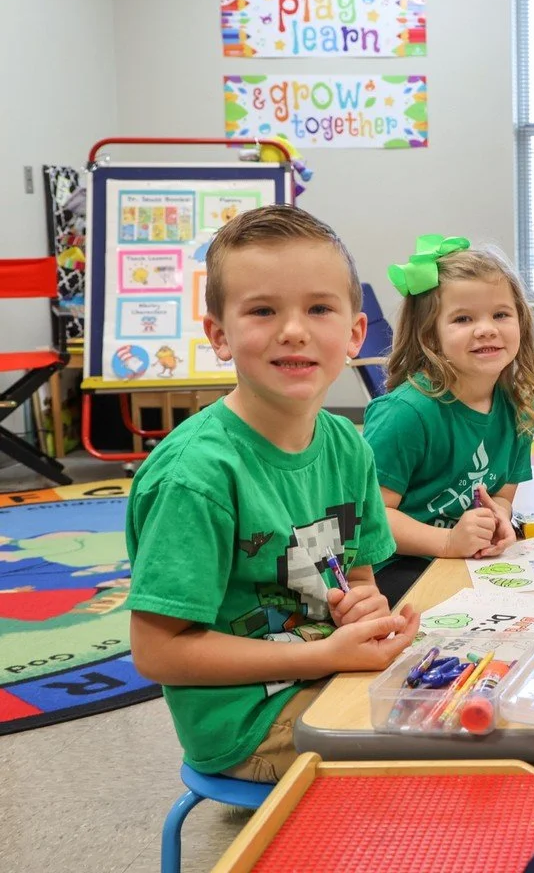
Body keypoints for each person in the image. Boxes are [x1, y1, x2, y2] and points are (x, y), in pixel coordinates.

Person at [127, 204, 419, 782]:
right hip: (250, 722)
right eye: (263, 310)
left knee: (483, 694)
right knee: (444, 752)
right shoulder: (196, 476)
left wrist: (362, 604)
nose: (294, 329)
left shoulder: (347, 445)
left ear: (355, 333)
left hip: (325, 670)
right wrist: (320, 655)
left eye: (319, 308)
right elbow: (157, 653)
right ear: (220, 335)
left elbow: (357, 574)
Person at [362, 236, 534, 603]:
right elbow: (371, 518)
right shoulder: (406, 414)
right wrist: (447, 541)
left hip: (463, 559)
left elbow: (501, 496)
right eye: (463, 318)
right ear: (430, 334)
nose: (487, 328)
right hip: (393, 567)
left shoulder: (516, 409)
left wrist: (498, 521)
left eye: (501, 315)